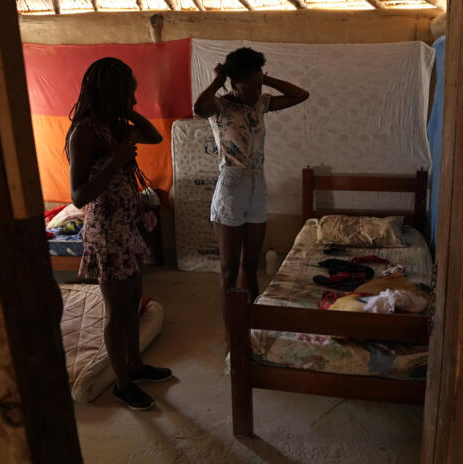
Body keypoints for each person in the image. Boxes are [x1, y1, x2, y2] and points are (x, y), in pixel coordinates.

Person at [66, 57, 169, 411]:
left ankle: (136, 366)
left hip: (128, 226)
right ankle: (122, 384)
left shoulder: (115, 125)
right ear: (109, 92)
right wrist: (115, 160)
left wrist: (127, 112)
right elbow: (78, 195)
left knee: (134, 302)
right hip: (107, 233)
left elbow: (154, 136)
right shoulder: (85, 132)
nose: (134, 100)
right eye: (128, 93)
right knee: (117, 310)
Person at [193, 47, 310, 337]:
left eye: (259, 85)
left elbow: (301, 95)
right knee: (229, 270)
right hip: (231, 188)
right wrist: (216, 82)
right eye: (250, 86)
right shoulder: (219, 107)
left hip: (258, 185)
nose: (256, 92)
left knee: (251, 265)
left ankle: (251, 325)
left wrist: (266, 82)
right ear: (233, 84)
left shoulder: (261, 103)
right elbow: (198, 109)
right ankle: (233, 333)